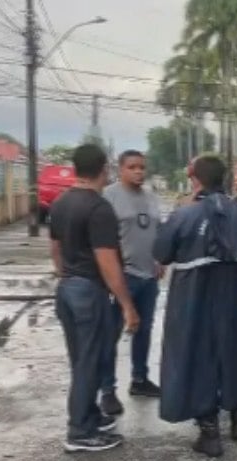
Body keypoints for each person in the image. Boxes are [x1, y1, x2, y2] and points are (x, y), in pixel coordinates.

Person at [154, 155, 237, 458]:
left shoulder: (185, 214)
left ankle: (209, 432)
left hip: (195, 296)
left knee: (199, 354)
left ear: (195, 179)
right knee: (235, 350)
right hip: (235, 295)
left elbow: (161, 252)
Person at [50, 144, 139, 453]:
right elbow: (107, 261)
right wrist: (127, 305)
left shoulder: (60, 204)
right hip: (89, 291)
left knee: (81, 360)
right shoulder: (99, 208)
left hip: (67, 289)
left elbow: (56, 250)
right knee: (90, 362)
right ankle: (80, 432)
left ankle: (88, 416)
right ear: (104, 169)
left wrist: (65, 276)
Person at [98, 150, 163, 418]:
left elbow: (157, 231)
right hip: (122, 277)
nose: (138, 171)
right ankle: (107, 390)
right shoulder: (109, 196)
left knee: (144, 329)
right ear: (120, 169)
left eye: (142, 167)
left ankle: (139, 379)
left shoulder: (150, 197)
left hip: (149, 277)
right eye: (132, 167)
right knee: (111, 334)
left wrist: (160, 259)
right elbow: (104, 241)